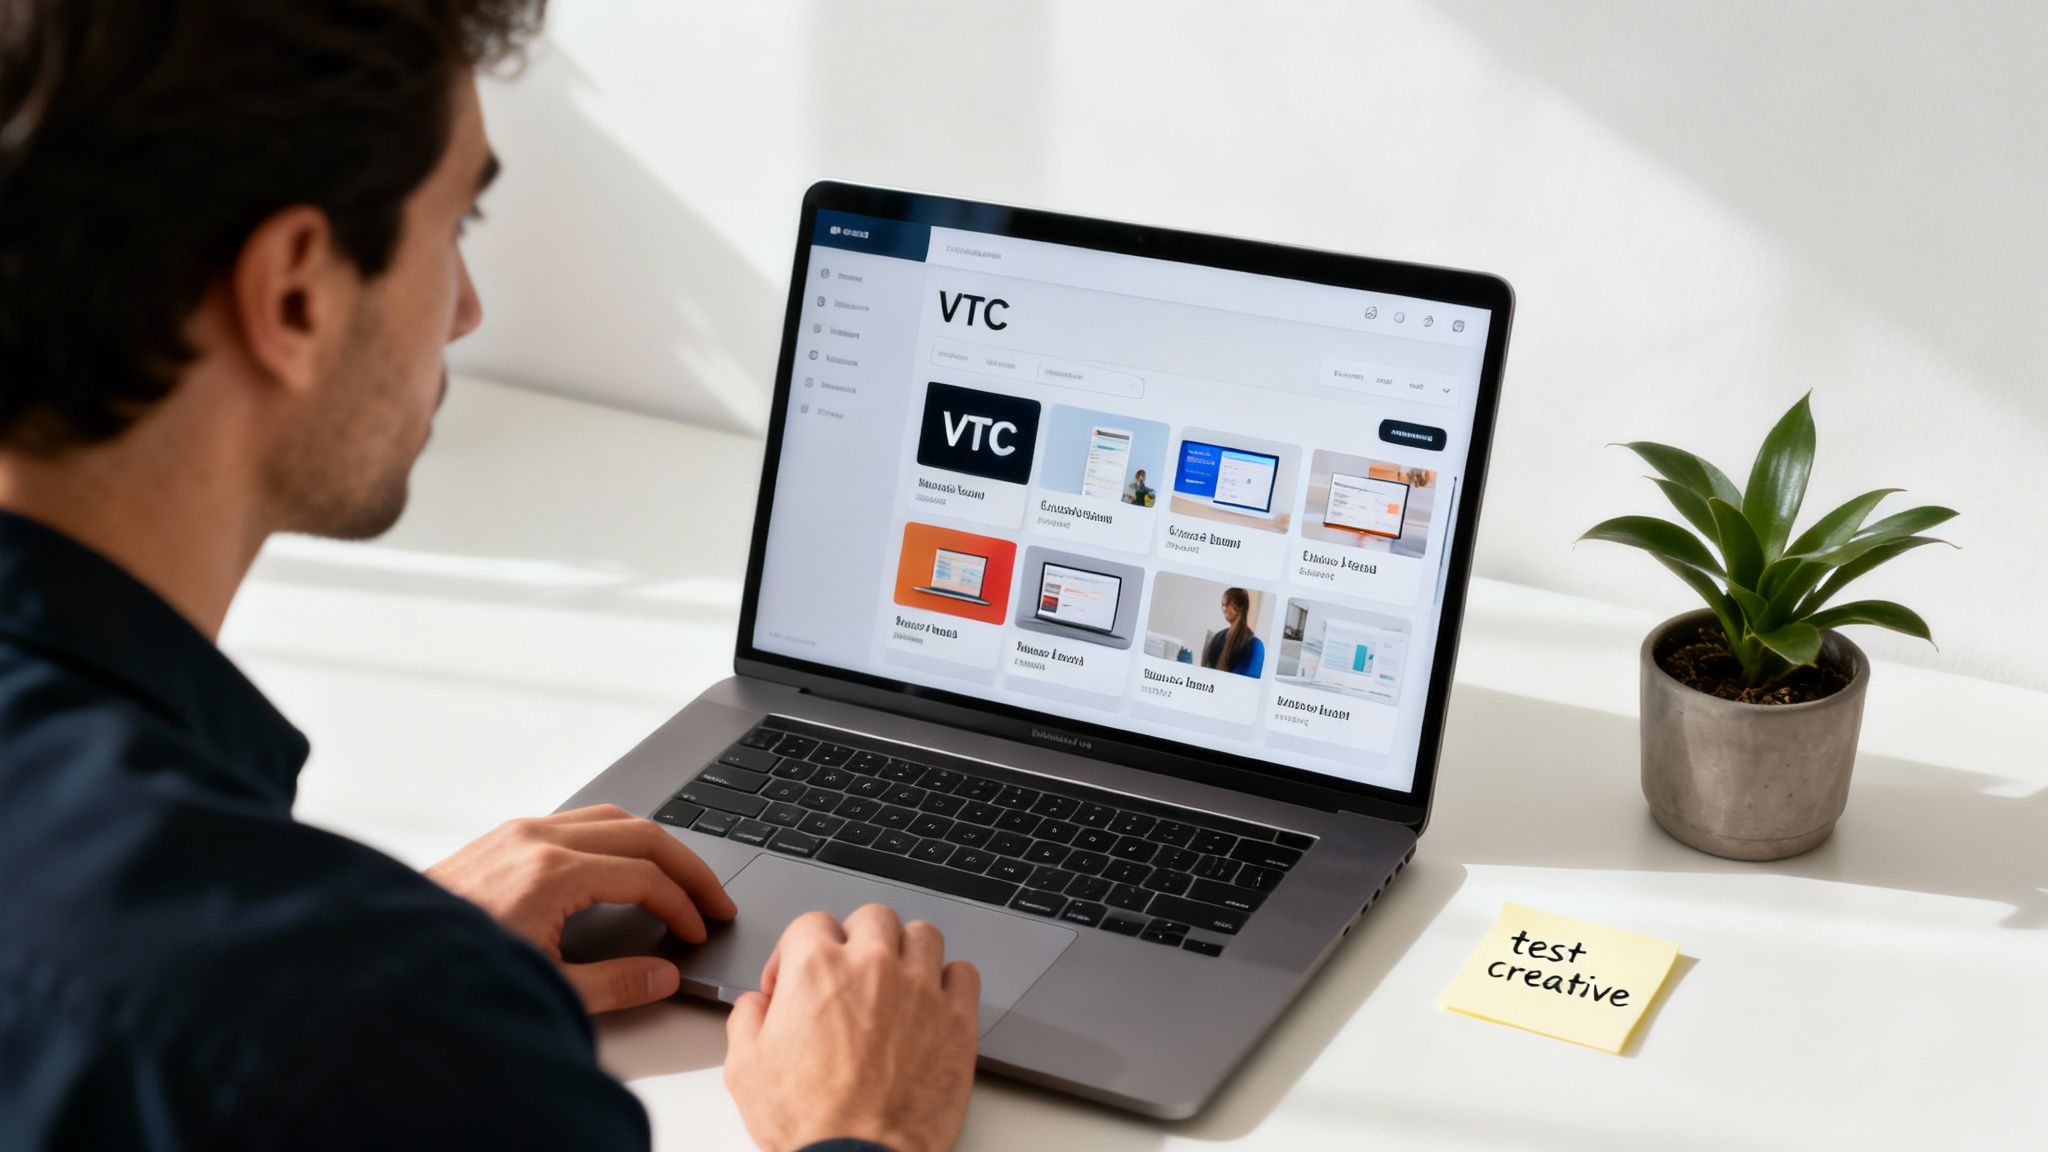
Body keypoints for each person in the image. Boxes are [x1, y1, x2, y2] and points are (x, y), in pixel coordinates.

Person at [0, 3, 978, 1151]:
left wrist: (369, 947)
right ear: (295, 294)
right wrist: (863, 1126)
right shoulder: (398, 1052)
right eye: (455, 222)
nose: (467, 309)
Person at [1200, 587, 1265, 677]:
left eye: (1227, 604)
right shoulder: (1218, 637)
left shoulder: (1255, 645)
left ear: (1238, 608)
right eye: (1223, 604)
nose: (1224, 608)